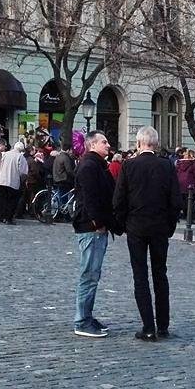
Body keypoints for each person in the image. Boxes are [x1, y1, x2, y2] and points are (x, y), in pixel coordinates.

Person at [113, 126, 182, 343]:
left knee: (140, 276)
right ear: (156, 143)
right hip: (160, 227)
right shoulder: (166, 166)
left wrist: (123, 224)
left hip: (137, 226)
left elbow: (119, 200)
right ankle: (163, 325)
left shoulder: (129, 165)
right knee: (160, 274)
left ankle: (148, 326)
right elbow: (176, 201)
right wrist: (170, 226)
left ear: (138, 143)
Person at [72, 130, 116, 339]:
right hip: (91, 229)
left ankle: (87, 316)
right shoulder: (89, 166)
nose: (108, 145)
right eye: (104, 142)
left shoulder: (96, 165)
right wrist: (98, 223)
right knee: (89, 275)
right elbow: (91, 199)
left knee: (92, 275)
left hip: (95, 227)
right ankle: (82, 320)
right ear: (92, 145)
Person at [0, 141, 28, 224]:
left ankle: (3, 217)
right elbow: (23, 171)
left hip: (3, 180)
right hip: (13, 181)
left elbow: (1, 166)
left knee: (4, 200)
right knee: (12, 201)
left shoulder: (5, 154)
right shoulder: (20, 156)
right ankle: (9, 218)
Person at [52, 140, 76, 220]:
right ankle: (65, 215)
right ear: (68, 150)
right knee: (65, 198)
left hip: (57, 178)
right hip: (63, 180)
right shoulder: (65, 157)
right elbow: (69, 170)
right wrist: (75, 176)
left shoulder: (58, 156)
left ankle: (60, 213)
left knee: (61, 197)